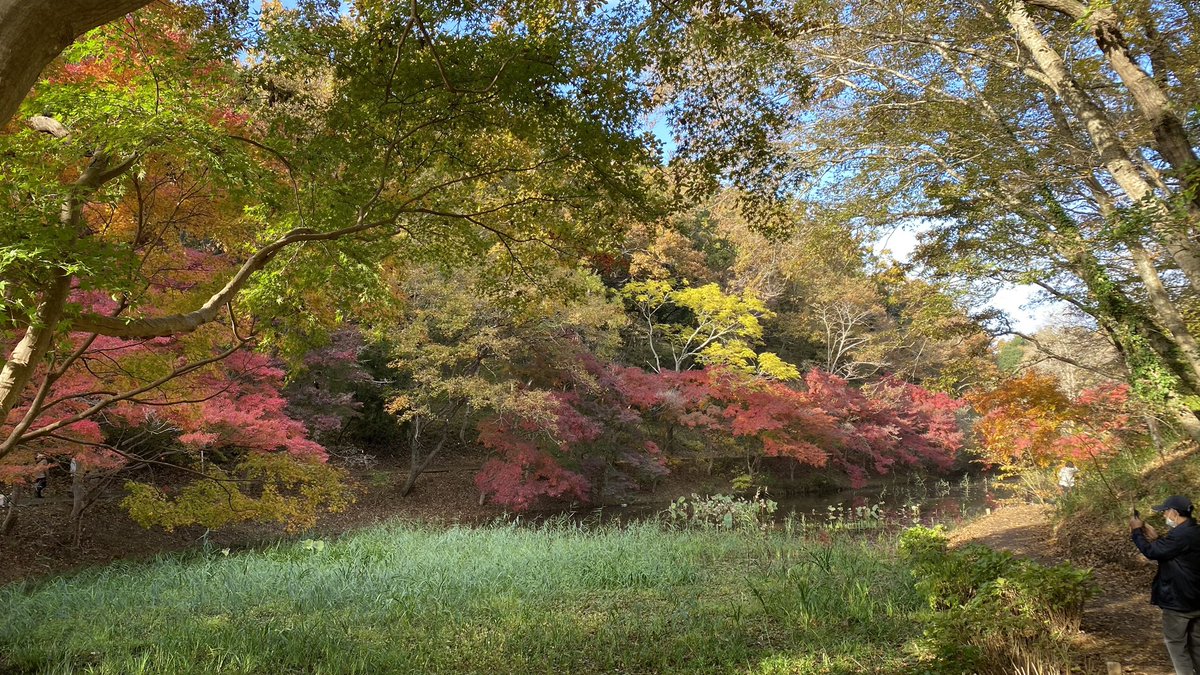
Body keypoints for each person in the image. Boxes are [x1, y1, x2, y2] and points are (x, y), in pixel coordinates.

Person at [1131, 495, 1200, 674]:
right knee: (1197, 645)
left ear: (1174, 513)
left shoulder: (1180, 536)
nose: (1164, 516)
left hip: (1179, 601)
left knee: (1177, 645)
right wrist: (1157, 538)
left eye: (1165, 512)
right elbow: (1176, 552)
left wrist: (1136, 531)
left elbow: (1151, 552)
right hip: (1196, 600)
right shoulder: (1193, 532)